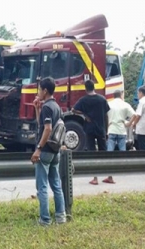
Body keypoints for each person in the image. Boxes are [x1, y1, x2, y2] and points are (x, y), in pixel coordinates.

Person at [31, 77, 66, 226]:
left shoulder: (47, 107)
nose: (38, 92)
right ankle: (61, 217)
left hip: (45, 150)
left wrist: (38, 149)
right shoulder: (56, 106)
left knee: (42, 187)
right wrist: (37, 109)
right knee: (56, 185)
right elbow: (42, 125)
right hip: (55, 150)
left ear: (45, 91)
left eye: (39, 89)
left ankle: (45, 220)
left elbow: (47, 129)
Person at [72, 80, 110, 185]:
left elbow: (73, 110)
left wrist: (84, 114)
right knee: (104, 153)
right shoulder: (102, 99)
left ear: (85, 88)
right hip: (101, 129)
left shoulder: (83, 100)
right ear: (94, 87)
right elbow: (106, 115)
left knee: (92, 153)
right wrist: (106, 131)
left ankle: (95, 178)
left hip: (89, 129)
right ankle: (110, 175)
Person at [102, 90, 135, 183]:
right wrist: (129, 123)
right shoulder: (125, 104)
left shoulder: (109, 104)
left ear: (113, 95)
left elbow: (105, 116)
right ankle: (123, 170)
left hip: (111, 129)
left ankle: (109, 173)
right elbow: (135, 115)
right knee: (122, 152)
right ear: (121, 95)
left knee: (109, 153)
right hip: (121, 130)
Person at [127, 85, 145, 150]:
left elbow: (138, 115)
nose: (138, 95)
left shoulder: (142, 101)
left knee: (142, 147)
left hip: (142, 129)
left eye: (138, 93)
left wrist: (134, 124)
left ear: (141, 93)